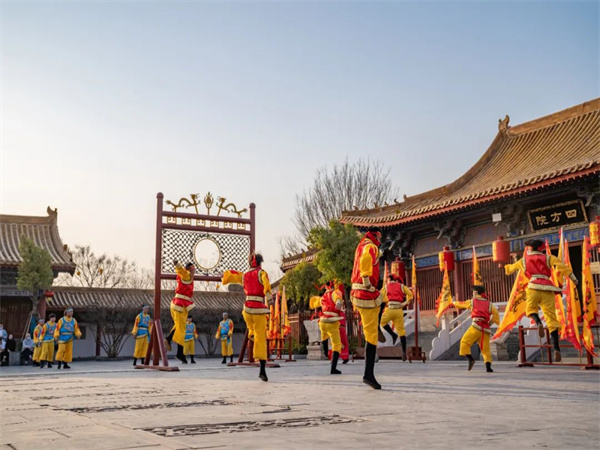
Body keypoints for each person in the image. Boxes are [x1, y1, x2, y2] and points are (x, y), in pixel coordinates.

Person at [504, 238, 578, 362]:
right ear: (540, 248)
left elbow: (510, 269)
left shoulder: (524, 260)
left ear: (530, 248)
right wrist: (574, 279)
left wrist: (508, 265)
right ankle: (556, 348)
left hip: (533, 287)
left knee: (531, 309)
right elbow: (563, 267)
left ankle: (538, 323)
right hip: (547, 288)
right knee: (551, 318)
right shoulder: (548, 258)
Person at [222, 253, 274, 382]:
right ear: (260, 262)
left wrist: (223, 277)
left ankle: (252, 334)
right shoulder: (261, 273)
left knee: (252, 331)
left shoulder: (244, 275)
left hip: (247, 310)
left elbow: (233, 275)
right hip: (258, 309)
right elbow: (266, 285)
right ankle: (262, 370)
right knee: (260, 338)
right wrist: (270, 299)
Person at [350, 227, 384, 389]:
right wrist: (366, 281)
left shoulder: (361, 245)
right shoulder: (371, 246)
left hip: (359, 293)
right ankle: (368, 374)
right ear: (376, 235)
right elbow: (365, 261)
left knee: (383, 297)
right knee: (371, 336)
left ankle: (378, 325)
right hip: (365, 293)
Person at [453, 285, 500, 372]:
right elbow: (496, 314)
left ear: (475, 292)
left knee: (464, 342)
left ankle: (471, 359)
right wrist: (489, 323)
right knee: (485, 349)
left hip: (475, 327)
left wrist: (453, 302)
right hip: (485, 329)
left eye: (473, 292)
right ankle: (488, 367)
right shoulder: (489, 304)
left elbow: (461, 304)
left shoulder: (473, 301)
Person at [165, 261, 196, 364]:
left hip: (178, 304)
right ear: (190, 270)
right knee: (181, 329)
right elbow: (182, 271)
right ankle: (171, 343)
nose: (194, 272)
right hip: (180, 305)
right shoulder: (187, 275)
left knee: (179, 327)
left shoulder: (187, 277)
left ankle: (178, 351)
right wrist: (177, 264)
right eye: (194, 270)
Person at [380, 273, 414, 361]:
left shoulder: (386, 287)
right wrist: (405, 303)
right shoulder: (401, 286)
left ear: (389, 279)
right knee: (402, 332)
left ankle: (393, 335)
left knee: (381, 321)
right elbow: (410, 294)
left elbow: (380, 295)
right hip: (399, 310)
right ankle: (404, 352)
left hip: (390, 309)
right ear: (396, 280)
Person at [319, 281, 344, 375]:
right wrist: (338, 303)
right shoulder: (334, 293)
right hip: (332, 321)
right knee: (336, 345)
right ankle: (333, 368)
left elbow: (319, 304)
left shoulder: (323, 296)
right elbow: (337, 299)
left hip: (322, 321)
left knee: (324, 336)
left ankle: (325, 352)